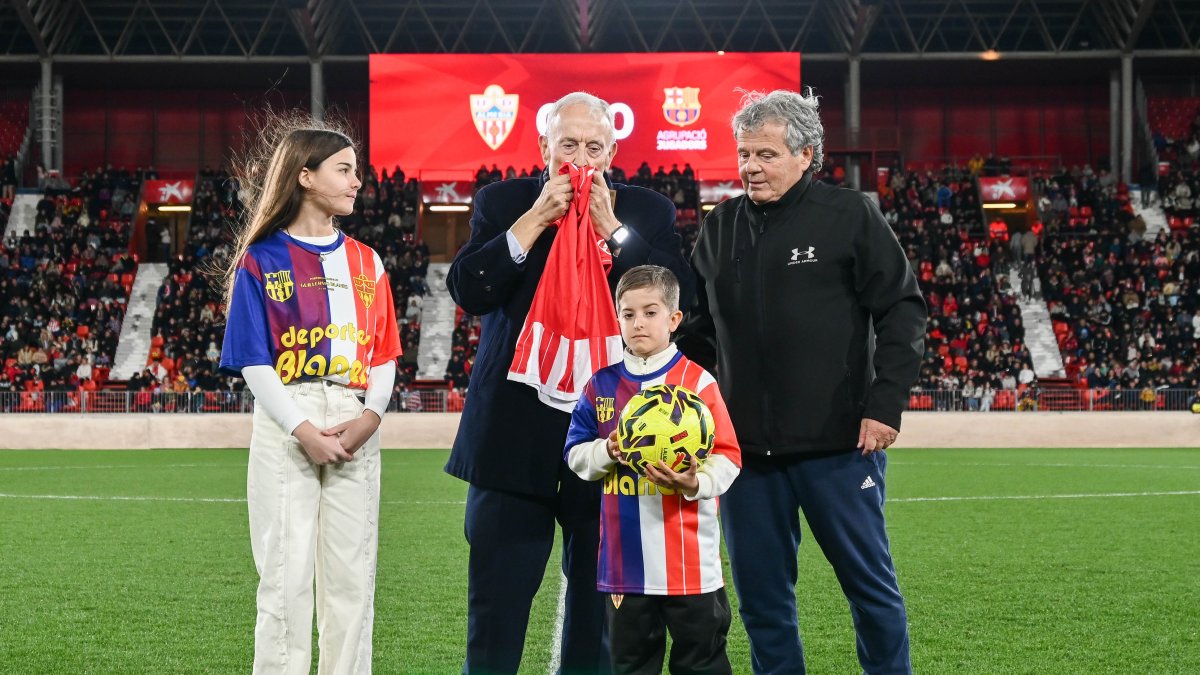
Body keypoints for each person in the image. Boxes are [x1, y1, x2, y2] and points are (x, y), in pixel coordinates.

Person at [679, 89, 927, 675]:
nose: (750, 167)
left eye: (765, 154)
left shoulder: (849, 215)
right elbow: (696, 334)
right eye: (744, 154)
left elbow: (903, 310)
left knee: (869, 591)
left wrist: (884, 405)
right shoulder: (719, 229)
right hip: (746, 456)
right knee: (763, 603)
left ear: (804, 155)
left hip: (840, 445)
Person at [444, 91, 694, 674]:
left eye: (593, 147)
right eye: (568, 145)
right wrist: (534, 220)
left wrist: (614, 229)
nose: (580, 158)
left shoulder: (648, 211)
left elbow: (685, 300)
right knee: (495, 612)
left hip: (612, 438)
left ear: (612, 152)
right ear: (543, 148)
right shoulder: (504, 200)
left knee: (603, 616)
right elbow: (469, 290)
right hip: (512, 438)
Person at [218, 122, 403, 674]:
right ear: (304, 175)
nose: (357, 181)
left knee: (353, 577)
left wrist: (370, 417)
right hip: (286, 421)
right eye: (344, 169)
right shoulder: (260, 259)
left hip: (354, 418)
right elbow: (253, 359)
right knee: (284, 576)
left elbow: (385, 353)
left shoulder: (369, 262)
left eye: (355, 170)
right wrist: (301, 429)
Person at [564, 265, 741, 675]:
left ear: (674, 318)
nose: (638, 323)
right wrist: (606, 450)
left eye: (650, 312)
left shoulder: (698, 383)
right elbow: (575, 454)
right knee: (630, 665)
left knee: (703, 664)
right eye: (628, 314)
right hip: (625, 566)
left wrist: (695, 481)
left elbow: (729, 456)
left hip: (692, 564)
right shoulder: (600, 385)